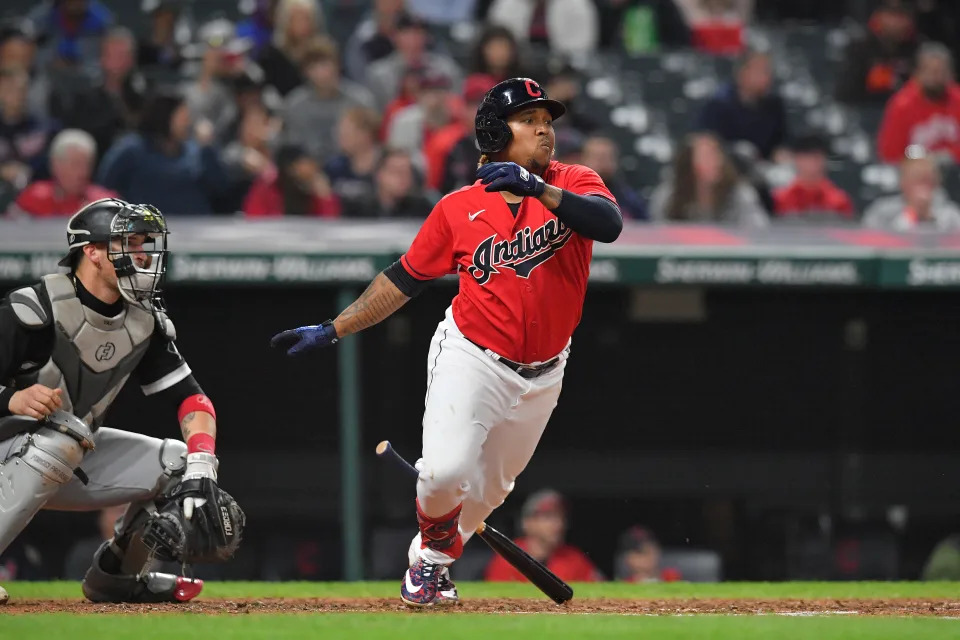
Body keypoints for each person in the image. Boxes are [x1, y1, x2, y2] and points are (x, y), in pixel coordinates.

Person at [270, 77, 623, 606]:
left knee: (487, 494)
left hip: (546, 370)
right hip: (473, 355)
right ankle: (432, 566)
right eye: (529, 121)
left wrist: (540, 190)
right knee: (443, 474)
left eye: (548, 121)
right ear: (493, 131)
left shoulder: (574, 180)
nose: (544, 130)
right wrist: (334, 327)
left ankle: (425, 561)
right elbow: (403, 279)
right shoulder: (458, 207)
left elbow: (609, 224)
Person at [0, 198, 244, 605]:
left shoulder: (143, 319)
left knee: (179, 464)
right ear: (92, 252)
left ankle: (117, 577)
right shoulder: (33, 309)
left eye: (146, 243)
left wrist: (203, 465)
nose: (144, 254)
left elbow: (192, 400)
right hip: (10, 447)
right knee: (67, 434)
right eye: (129, 242)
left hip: (63, 451)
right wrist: (11, 398)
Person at [97, 90, 229, 215]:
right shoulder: (132, 149)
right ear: (165, 116)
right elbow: (104, 186)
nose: (188, 123)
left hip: (195, 227)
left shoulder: (198, 151)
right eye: (183, 117)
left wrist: (208, 149)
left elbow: (220, 188)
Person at [280, 37, 375, 164]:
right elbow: (293, 148)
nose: (321, 72)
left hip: (355, 169)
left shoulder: (361, 100)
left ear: (337, 64)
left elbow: (372, 143)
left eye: (325, 64)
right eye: (313, 66)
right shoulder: (294, 106)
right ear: (305, 72)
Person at [649, 132, 767, 226]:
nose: (716, 162)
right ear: (689, 163)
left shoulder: (739, 193)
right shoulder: (668, 195)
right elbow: (659, 234)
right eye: (707, 157)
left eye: (717, 155)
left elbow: (757, 231)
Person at [485, 489, 602, 583]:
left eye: (561, 517)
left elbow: (602, 594)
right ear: (528, 522)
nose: (558, 524)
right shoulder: (508, 557)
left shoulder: (574, 558)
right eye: (548, 517)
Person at [694, 47, 787, 162]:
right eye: (761, 71)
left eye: (768, 71)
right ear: (742, 73)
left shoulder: (774, 106)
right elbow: (706, 145)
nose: (767, 77)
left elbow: (782, 142)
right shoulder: (719, 106)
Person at [877, 43, 960, 164]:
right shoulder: (902, 104)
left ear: (950, 74)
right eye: (930, 71)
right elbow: (890, 153)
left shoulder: (957, 99)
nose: (935, 77)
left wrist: (946, 157)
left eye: (941, 71)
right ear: (917, 73)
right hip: (913, 175)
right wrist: (924, 159)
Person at [7, 129, 116, 217]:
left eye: (87, 165)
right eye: (75, 164)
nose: (83, 172)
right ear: (56, 165)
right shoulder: (33, 198)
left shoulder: (104, 203)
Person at [365, 13, 462, 110]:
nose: (413, 39)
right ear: (394, 36)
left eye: (418, 32)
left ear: (427, 37)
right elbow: (376, 112)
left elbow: (457, 104)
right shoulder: (378, 73)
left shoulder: (446, 69)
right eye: (406, 33)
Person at [835, 0, 918, 106]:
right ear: (879, 16)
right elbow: (844, 95)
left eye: (901, 16)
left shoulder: (917, 49)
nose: (896, 22)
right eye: (891, 15)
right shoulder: (860, 48)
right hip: (866, 114)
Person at [862, 154, 960, 230]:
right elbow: (869, 241)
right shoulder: (881, 211)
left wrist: (931, 218)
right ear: (903, 183)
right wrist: (908, 216)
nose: (922, 186)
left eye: (927, 180)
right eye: (917, 179)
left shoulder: (950, 213)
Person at [243, 144, 340, 217]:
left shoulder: (314, 193)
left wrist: (325, 197)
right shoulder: (267, 189)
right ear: (290, 168)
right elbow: (254, 220)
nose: (311, 169)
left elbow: (329, 224)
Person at [772, 134, 854, 219]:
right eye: (805, 158)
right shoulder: (781, 199)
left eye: (816, 158)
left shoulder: (839, 200)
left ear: (824, 160)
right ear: (796, 160)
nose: (811, 164)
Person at [258, 0, 325, 96]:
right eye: (297, 19)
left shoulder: (323, 52)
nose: (303, 24)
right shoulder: (271, 55)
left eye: (307, 18)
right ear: (285, 21)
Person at [341, 148, 433, 218]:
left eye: (407, 172)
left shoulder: (422, 208)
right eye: (396, 171)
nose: (402, 177)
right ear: (379, 174)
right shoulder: (358, 208)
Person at [487, 0, 599, 57]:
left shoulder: (577, 5)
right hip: (516, 68)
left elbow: (581, 51)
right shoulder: (505, 5)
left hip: (562, 69)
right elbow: (496, 45)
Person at [386, 72, 457, 156]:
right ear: (419, 95)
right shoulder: (403, 120)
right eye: (429, 92)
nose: (435, 98)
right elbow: (396, 156)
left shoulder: (455, 118)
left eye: (439, 92)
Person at [580, 134, 647, 219]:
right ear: (584, 160)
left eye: (608, 158)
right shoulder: (570, 195)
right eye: (598, 158)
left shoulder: (629, 199)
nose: (603, 163)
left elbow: (645, 226)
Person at [325, 106, 381, 204]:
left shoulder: (386, 165)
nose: (341, 137)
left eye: (347, 133)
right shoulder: (334, 167)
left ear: (365, 134)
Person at [344, 0, 405, 82]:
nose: (391, 4)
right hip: (370, 89)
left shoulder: (413, 29)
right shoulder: (363, 36)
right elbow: (357, 72)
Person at [63, 504, 128, 580]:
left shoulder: (139, 552)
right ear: (101, 518)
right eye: (119, 511)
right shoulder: (84, 553)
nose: (123, 517)